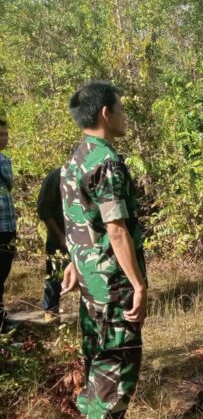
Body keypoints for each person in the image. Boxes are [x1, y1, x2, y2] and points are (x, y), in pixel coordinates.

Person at [60, 81, 147, 417]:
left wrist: (74, 259)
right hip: (112, 286)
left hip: (89, 281)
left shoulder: (76, 158)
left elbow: (79, 219)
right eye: (121, 110)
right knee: (117, 374)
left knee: (98, 363)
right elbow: (115, 228)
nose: (124, 116)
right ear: (106, 113)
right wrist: (138, 284)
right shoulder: (106, 162)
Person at [38, 168, 70, 319]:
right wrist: (60, 235)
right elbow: (44, 210)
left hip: (83, 241)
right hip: (59, 239)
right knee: (55, 276)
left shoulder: (86, 174)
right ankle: (50, 315)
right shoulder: (55, 177)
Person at [0, 119, 16, 334]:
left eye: (5, 134)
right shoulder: (3, 160)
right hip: (3, 229)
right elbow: (9, 184)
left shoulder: (4, 158)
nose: (4, 138)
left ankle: (2, 318)